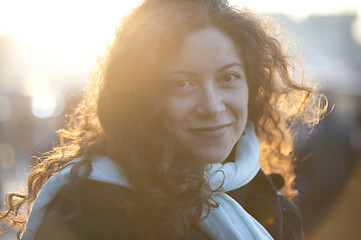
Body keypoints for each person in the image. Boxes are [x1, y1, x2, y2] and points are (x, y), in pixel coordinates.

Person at [1, 0, 325, 239]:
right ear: (141, 99)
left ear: (251, 86)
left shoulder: (272, 203)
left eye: (228, 77)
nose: (212, 106)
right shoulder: (90, 209)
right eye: (182, 83)